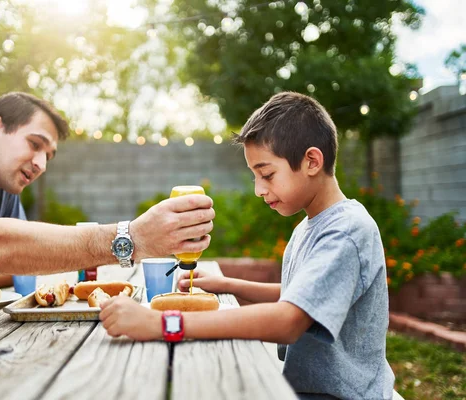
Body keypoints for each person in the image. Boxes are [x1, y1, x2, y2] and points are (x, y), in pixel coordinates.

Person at [99, 92, 394, 399]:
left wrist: (163, 324)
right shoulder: (311, 226)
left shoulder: (345, 231)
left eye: (266, 174)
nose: (258, 189)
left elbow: (289, 320)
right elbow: (304, 298)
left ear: (311, 161)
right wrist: (227, 284)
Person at [0, 92, 214, 297]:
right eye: (35, 145)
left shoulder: (3, 194)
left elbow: (16, 264)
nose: (41, 164)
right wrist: (130, 238)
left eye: (49, 156)